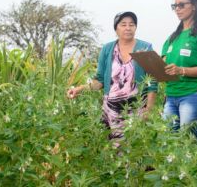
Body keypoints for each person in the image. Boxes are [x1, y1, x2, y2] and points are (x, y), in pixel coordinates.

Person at [67, 11, 157, 144]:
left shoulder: (145, 47)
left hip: (136, 108)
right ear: (116, 28)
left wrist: (148, 110)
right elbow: (100, 81)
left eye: (132, 25)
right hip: (111, 112)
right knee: (114, 150)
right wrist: (80, 89)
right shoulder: (107, 49)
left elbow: (152, 82)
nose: (128, 28)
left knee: (134, 150)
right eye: (123, 24)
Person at [161, 0, 197, 138]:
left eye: (181, 5)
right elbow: (164, 66)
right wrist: (150, 62)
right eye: (174, 6)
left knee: (188, 144)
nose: (177, 9)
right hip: (171, 96)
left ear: (194, 5)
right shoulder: (172, 38)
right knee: (168, 143)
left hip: (193, 95)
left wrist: (181, 70)